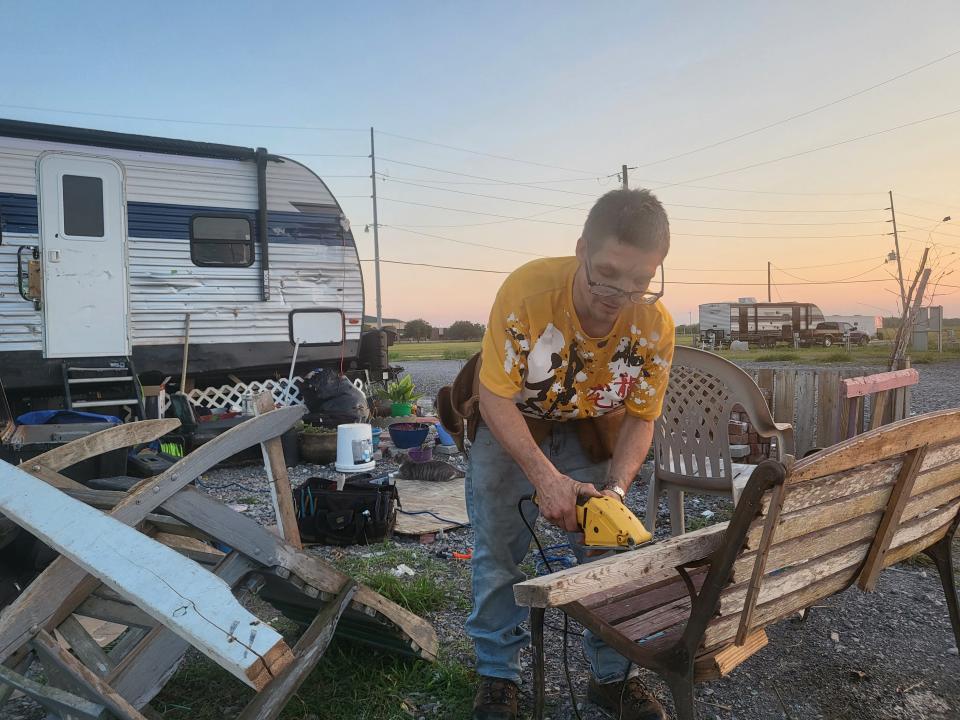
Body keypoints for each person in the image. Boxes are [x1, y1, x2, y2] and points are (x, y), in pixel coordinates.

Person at [466, 188, 675, 720]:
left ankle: (612, 678)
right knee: (498, 556)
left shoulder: (654, 326)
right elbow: (493, 395)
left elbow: (640, 418)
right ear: (581, 248)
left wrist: (617, 491)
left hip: (589, 430)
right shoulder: (529, 291)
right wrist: (544, 477)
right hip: (512, 423)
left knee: (613, 549)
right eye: (607, 272)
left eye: (641, 281)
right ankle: (497, 678)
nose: (620, 293)